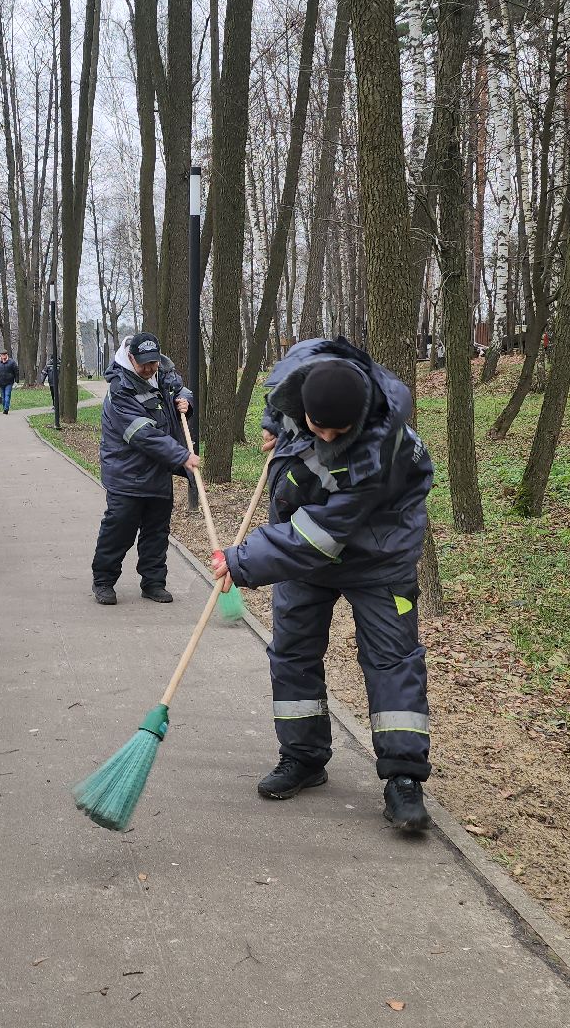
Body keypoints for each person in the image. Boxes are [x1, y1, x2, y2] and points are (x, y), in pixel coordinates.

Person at [210, 336, 436, 833]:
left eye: (340, 430)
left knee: (391, 659)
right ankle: (304, 758)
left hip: (378, 552)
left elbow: (318, 538)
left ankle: (403, 779)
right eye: (318, 427)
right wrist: (278, 427)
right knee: (292, 649)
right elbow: (280, 405)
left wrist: (242, 560)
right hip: (303, 542)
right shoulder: (301, 373)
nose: (329, 438)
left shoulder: (380, 447)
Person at [93, 332, 196, 606]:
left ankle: (153, 583)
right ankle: (103, 580)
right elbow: (143, 434)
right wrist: (181, 455)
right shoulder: (120, 391)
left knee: (157, 531)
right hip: (127, 474)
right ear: (130, 358)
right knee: (119, 530)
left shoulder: (163, 373)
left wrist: (186, 401)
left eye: (153, 363)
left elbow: (179, 389)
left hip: (158, 471)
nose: (149, 369)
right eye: (144, 364)